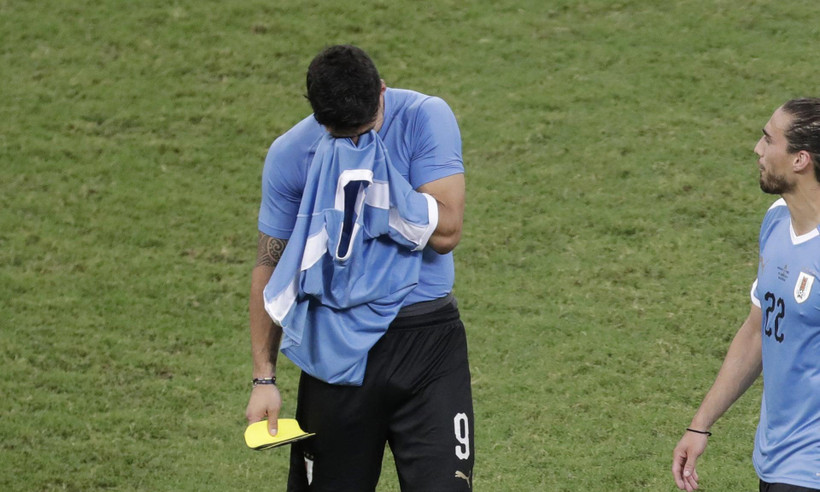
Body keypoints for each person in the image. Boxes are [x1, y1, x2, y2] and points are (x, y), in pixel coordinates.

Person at [245, 45, 474, 491]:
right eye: (343, 135)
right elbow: (268, 266)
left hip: (427, 345)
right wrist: (263, 377)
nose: (356, 143)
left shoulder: (426, 116)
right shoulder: (291, 155)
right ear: (319, 117)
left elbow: (447, 234)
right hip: (336, 352)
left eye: (367, 129)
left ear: (382, 90)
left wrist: (376, 186)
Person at [672, 98, 820, 492]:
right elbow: (757, 331)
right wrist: (700, 424)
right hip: (775, 458)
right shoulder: (776, 221)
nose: (757, 149)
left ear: (800, 159)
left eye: (768, 139)